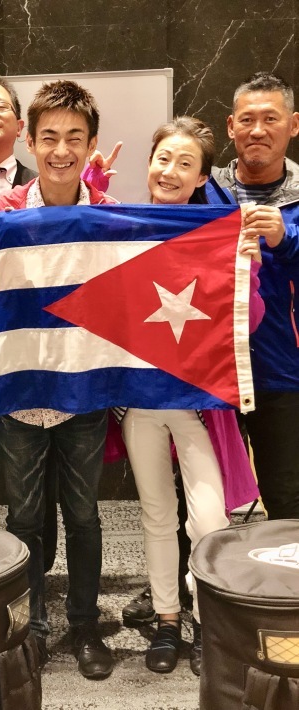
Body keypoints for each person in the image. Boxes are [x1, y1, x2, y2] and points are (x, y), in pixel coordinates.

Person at [0, 79, 116, 680]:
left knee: (83, 514)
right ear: (30, 143)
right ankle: (31, 626)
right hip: (20, 394)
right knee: (24, 517)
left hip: (83, 392)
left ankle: (84, 624)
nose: (62, 150)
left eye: (75, 138)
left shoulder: (111, 216)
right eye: (50, 137)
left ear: (90, 145)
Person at [120, 117, 263, 676]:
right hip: (141, 403)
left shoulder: (219, 233)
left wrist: (246, 271)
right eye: (164, 159)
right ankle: (166, 619)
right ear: (149, 164)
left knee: (208, 522)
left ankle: (208, 622)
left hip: (199, 408)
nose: (171, 171)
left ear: (202, 176)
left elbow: (249, 321)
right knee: (156, 515)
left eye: (186, 163)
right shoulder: (119, 228)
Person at [207, 72, 299, 521]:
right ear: (231, 126)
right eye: (247, 119)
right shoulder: (204, 190)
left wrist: (287, 241)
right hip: (210, 368)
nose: (257, 130)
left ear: (293, 125)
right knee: (202, 500)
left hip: (283, 370)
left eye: (270, 118)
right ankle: (196, 571)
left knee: (287, 497)